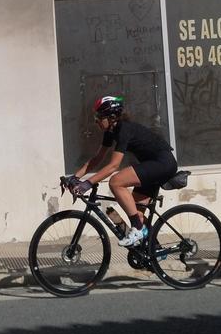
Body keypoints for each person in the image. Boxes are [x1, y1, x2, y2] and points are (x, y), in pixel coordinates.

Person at [65, 96, 178, 248]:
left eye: (99, 117)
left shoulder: (124, 129)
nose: (96, 121)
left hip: (163, 164)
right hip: (153, 165)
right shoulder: (111, 132)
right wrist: (75, 177)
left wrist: (87, 184)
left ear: (112, 117)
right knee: (136, 213)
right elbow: (97, 159)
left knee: (116, 182)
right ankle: (154, 250)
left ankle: (137, 229)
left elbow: (113, 166)